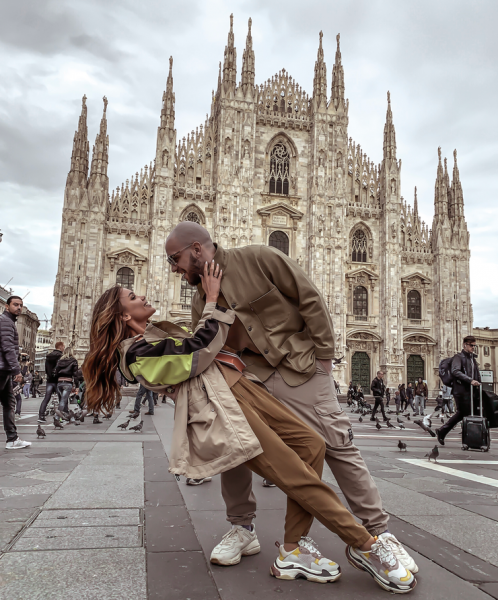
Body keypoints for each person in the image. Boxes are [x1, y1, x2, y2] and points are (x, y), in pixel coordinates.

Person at [82, 271, 416, 593]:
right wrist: (212, 299)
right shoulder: (136, 354)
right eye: (131, 296)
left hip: (242, 387)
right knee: (293, 475)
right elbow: (198, 353)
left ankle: (293, 549)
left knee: (312, 444)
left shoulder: (153, 333)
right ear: (124, 316)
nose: (139, 295)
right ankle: (365, 544)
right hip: (225, 407)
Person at [165, 222, 418, 575]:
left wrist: (324, 359)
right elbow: (207, 346)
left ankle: (379, 532)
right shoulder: (199, 299)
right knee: (234, 447)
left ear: (196, 248)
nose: (173, 268)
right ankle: (242, 527)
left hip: (299, 368)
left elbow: (308, 296)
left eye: (174, 259)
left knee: (337, 443)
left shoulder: (259, 258)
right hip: (249, 378)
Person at [437, 336, 481, 446]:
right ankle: (445, 432)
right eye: (471, 345)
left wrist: (479, 384)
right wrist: (470, 380)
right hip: (460, 390)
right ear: (464, 345)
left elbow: (477, 374)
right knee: (463, 412)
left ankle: (473, 437)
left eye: (474, 345)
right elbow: (455, 371)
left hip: (470, 390)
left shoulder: (472, 359)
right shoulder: (458, 357)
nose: (473, 347)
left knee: (468, 413)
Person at [0, 296, 31, 449]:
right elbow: (8, 348)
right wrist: (17, 370)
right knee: (8, 403)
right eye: (15, 305)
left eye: (20, 305)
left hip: (4, 369)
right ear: (7, 306)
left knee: (9, 403)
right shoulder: (5, 322)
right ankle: (12, 438)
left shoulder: (9, 322)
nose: (18, 307)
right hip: (2, 369)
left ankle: (12, 439)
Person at [38, 342, 64, 423]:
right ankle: (60, 417)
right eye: (63, 347)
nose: (64, 348)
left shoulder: (48, 356)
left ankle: (41, 416)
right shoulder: (61, 356)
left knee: (46, 398)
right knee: (61, 399)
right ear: (60, 347)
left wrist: (49, 376)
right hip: (57, 380)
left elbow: (46, 369)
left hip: (49, 380)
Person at [54, 347, 79, 424]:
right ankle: (57, 417)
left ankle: (68, 417)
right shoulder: (74, 361)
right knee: (63, 401)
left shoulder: (60, 361)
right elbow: (75, 375)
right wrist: (77, 386)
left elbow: (55, 372)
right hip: (68, 383)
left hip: (59, 383)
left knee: (64, 401)